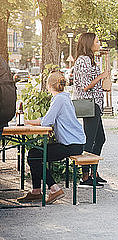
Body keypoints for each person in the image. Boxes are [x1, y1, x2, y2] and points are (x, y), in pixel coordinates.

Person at [18, 71, 85, 204]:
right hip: (75, 143)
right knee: (34, 153)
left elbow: (46, 121)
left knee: (34, 156)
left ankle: (54, 189)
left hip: (70, 145)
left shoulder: (59, 99)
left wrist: (27, 122)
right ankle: (37, 191)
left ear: (49, 86)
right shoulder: (64, 97)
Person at [72, 32, 109, 188]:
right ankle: (85, 176)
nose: (99, 44)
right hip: (88, 104)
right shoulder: (83, 60)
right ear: (89, 44)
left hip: (95, 104)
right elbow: (85, 85)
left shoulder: (90, 59)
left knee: (100, 138)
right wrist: (102, 76)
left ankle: (93, 172)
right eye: (97, 41)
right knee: (90, 139)